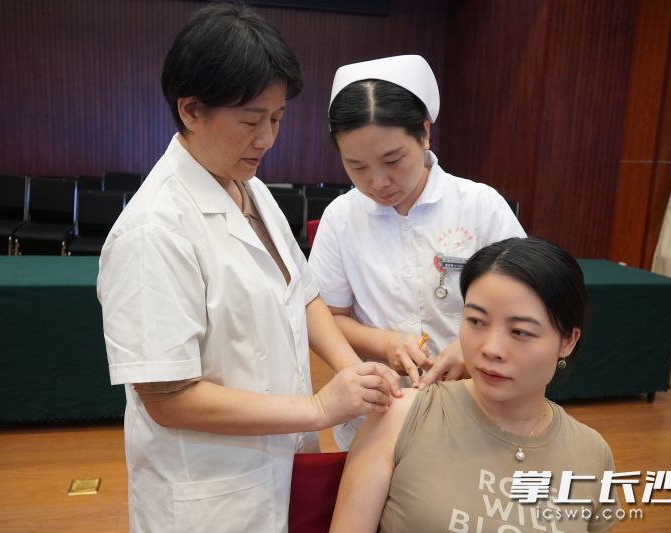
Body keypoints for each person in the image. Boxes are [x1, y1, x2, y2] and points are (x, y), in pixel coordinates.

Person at [96, 5, 401, 532]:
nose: (267, 139)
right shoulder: (153, 229)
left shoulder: (250, 189)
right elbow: (168, 398)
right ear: (191, 110)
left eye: (277, 118)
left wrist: (350, 369)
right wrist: (318, 408)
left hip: (275, 467)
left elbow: (303, 293)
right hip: (210, 496)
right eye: (251, 121)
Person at [330, 237, 620, 533]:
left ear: (568, 341)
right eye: (476, 321)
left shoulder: (592, 453)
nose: (491, 349)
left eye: (520, 331)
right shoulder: (400, 416)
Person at [308, 54, 526, 449]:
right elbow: (328, 316)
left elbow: (527, 303)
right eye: (357, 167)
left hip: (475, 403)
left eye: (392, 160)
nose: (378, 182)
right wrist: (385, 343)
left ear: (425, 134)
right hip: (381, 413)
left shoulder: (480, 206)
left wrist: (471, 349)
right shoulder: (341, 217)